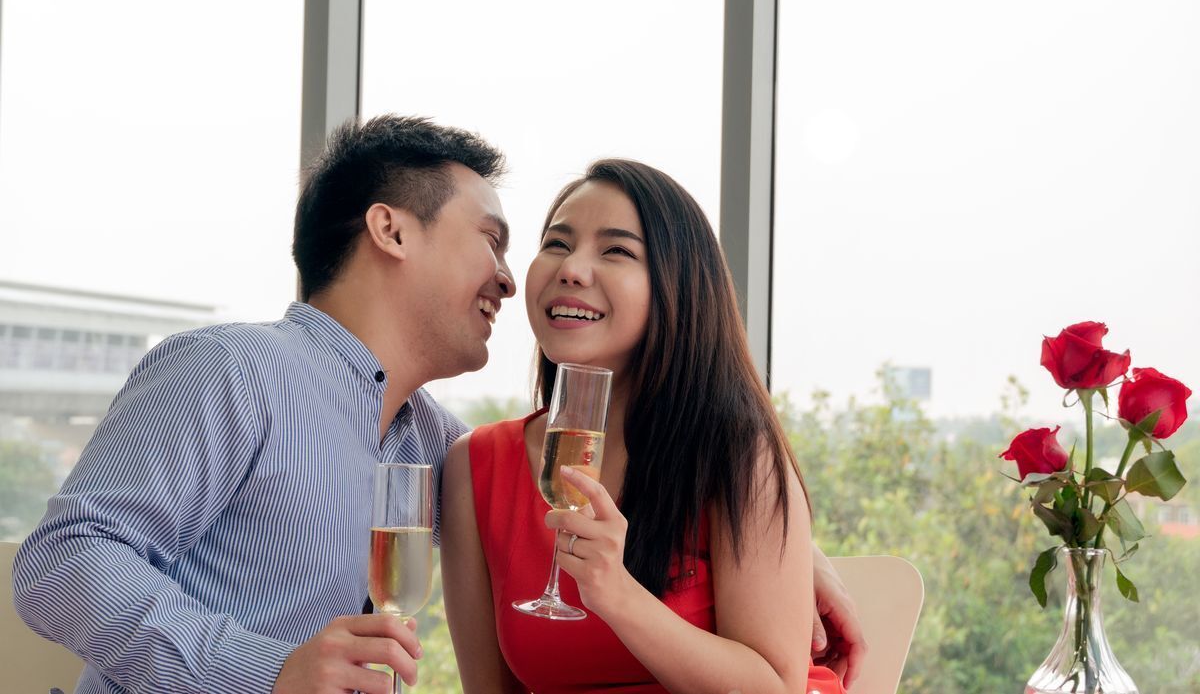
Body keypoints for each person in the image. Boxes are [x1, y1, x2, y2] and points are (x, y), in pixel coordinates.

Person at [12, 115, 516, 694]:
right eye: (491, 241)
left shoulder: (435, 440)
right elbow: (62, 560)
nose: (507, 281)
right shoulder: (230, 368)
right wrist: (269, 672)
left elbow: (542, 520)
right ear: (391, 230)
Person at [441, 159, 855, 693]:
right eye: (558, 243)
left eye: (616, 250)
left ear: (676, 287)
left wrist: (616, 594)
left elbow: (775, 686)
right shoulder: (475, 468)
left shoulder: (735, 454)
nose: (571, 268)